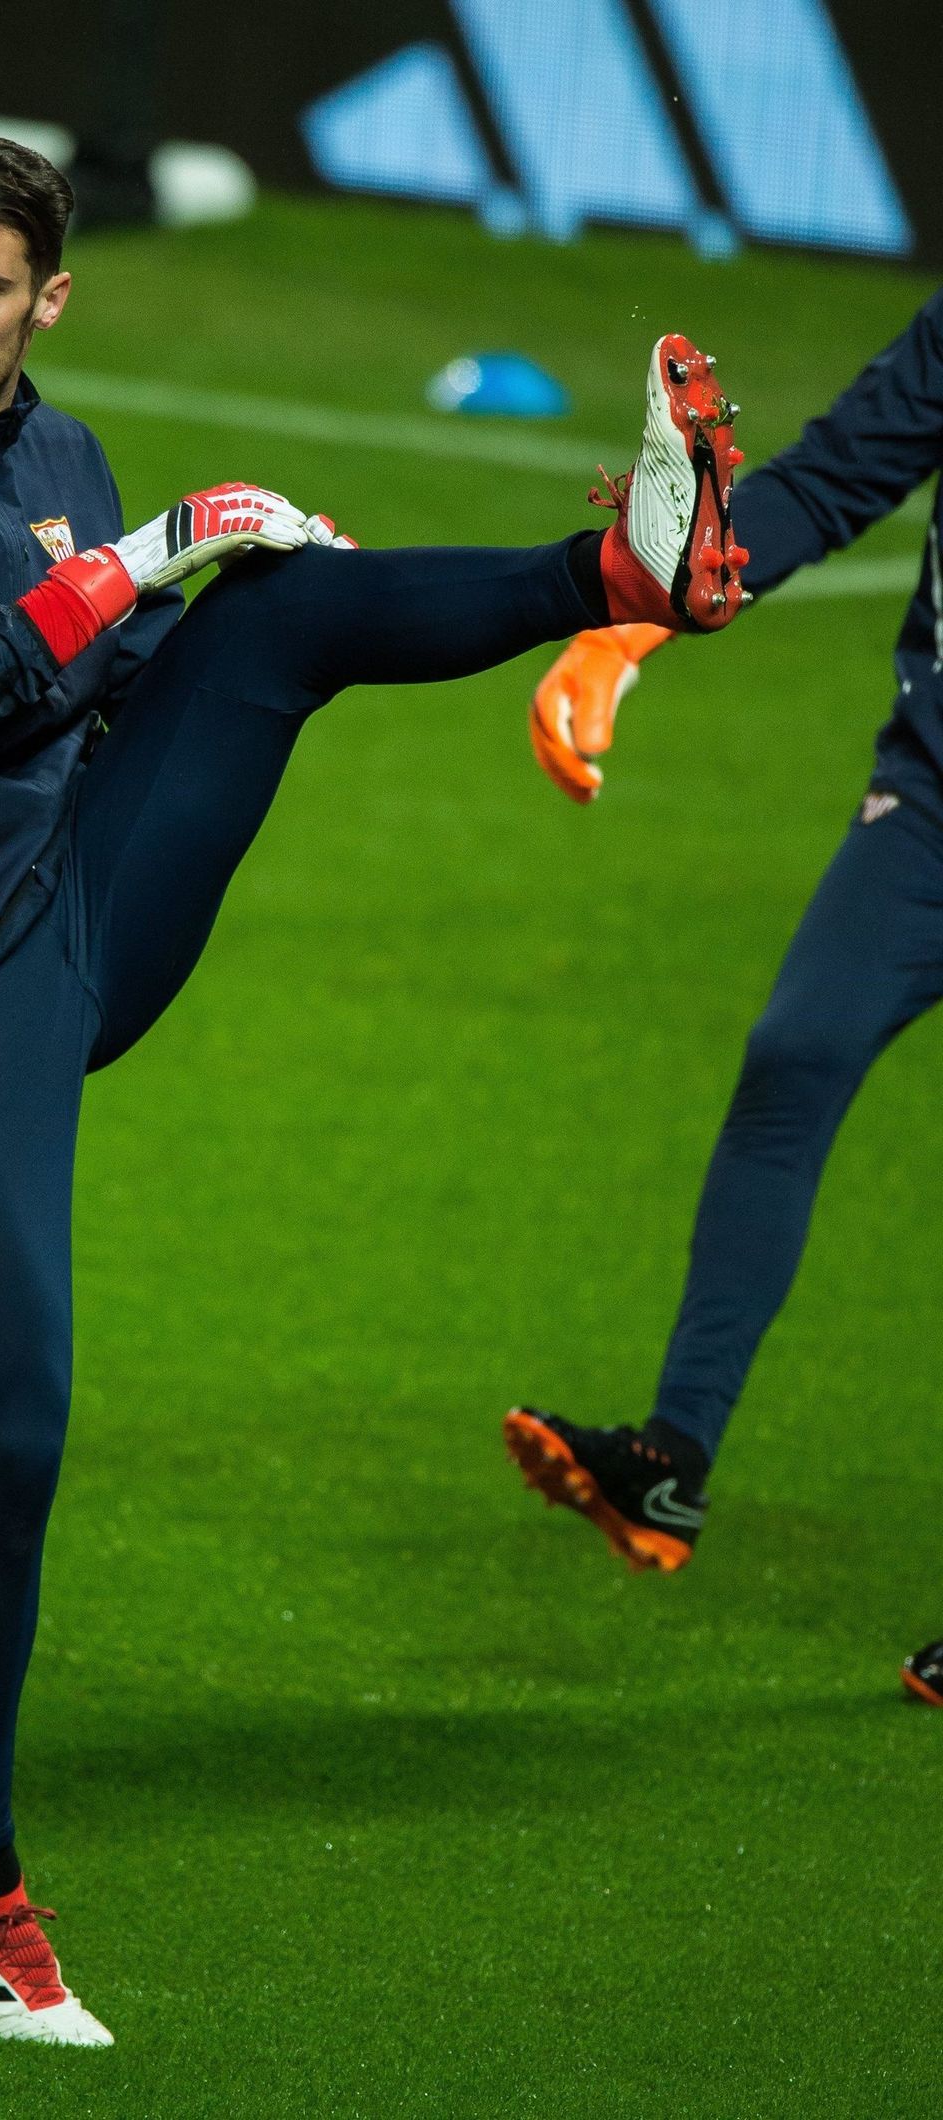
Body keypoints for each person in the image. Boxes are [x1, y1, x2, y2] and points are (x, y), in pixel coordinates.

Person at [0, 127, 744, 2045]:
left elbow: (96, 687)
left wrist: (221, 593)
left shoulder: (56, 451)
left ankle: (630, 566)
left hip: (90, 894)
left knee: (278, 614)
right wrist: (146, 560)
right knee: (14, 1435)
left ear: (50, 301)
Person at [501, 291, 943, 1706]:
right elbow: (830, 476)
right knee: (797, 1051)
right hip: (934, 801)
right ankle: (671, 1465)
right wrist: (638, 624)